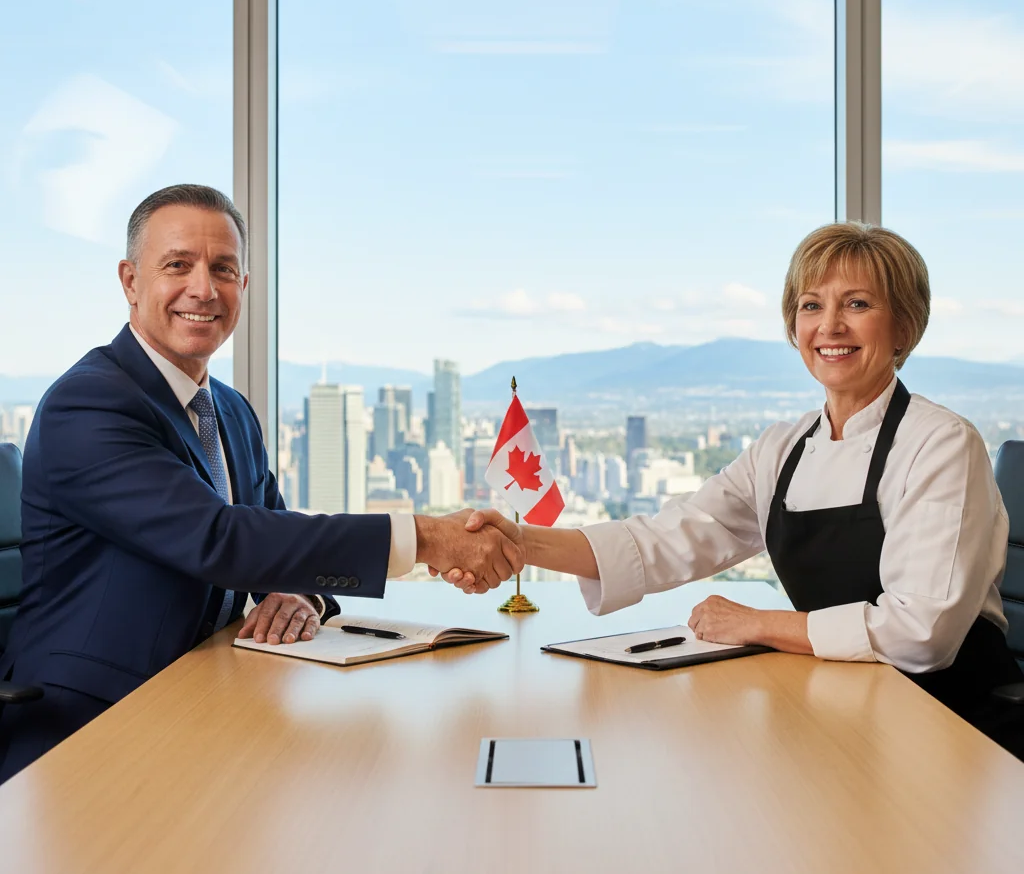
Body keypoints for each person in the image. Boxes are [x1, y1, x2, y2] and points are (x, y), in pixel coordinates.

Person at [0, 184, 523, 784]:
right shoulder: (89, 404)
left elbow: (274, 538)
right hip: (87, 728)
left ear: (243, 289)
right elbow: (220, 540)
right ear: (130, 281)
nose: (204, 288)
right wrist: (425, 537)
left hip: (204, 703)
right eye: (177, 265)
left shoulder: (228, 409)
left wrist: (301, 596)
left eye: (224, 269)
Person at [441, 222, 1024, 754]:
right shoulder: (784, 448)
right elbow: (666, 538)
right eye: (811, 305)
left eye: (859, 304)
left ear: (904, 324)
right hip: (845, 707)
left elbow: (920, 638)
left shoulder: (942, 443)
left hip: (951, 724)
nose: (830, 326)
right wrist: (521, 541)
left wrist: (758, 622)